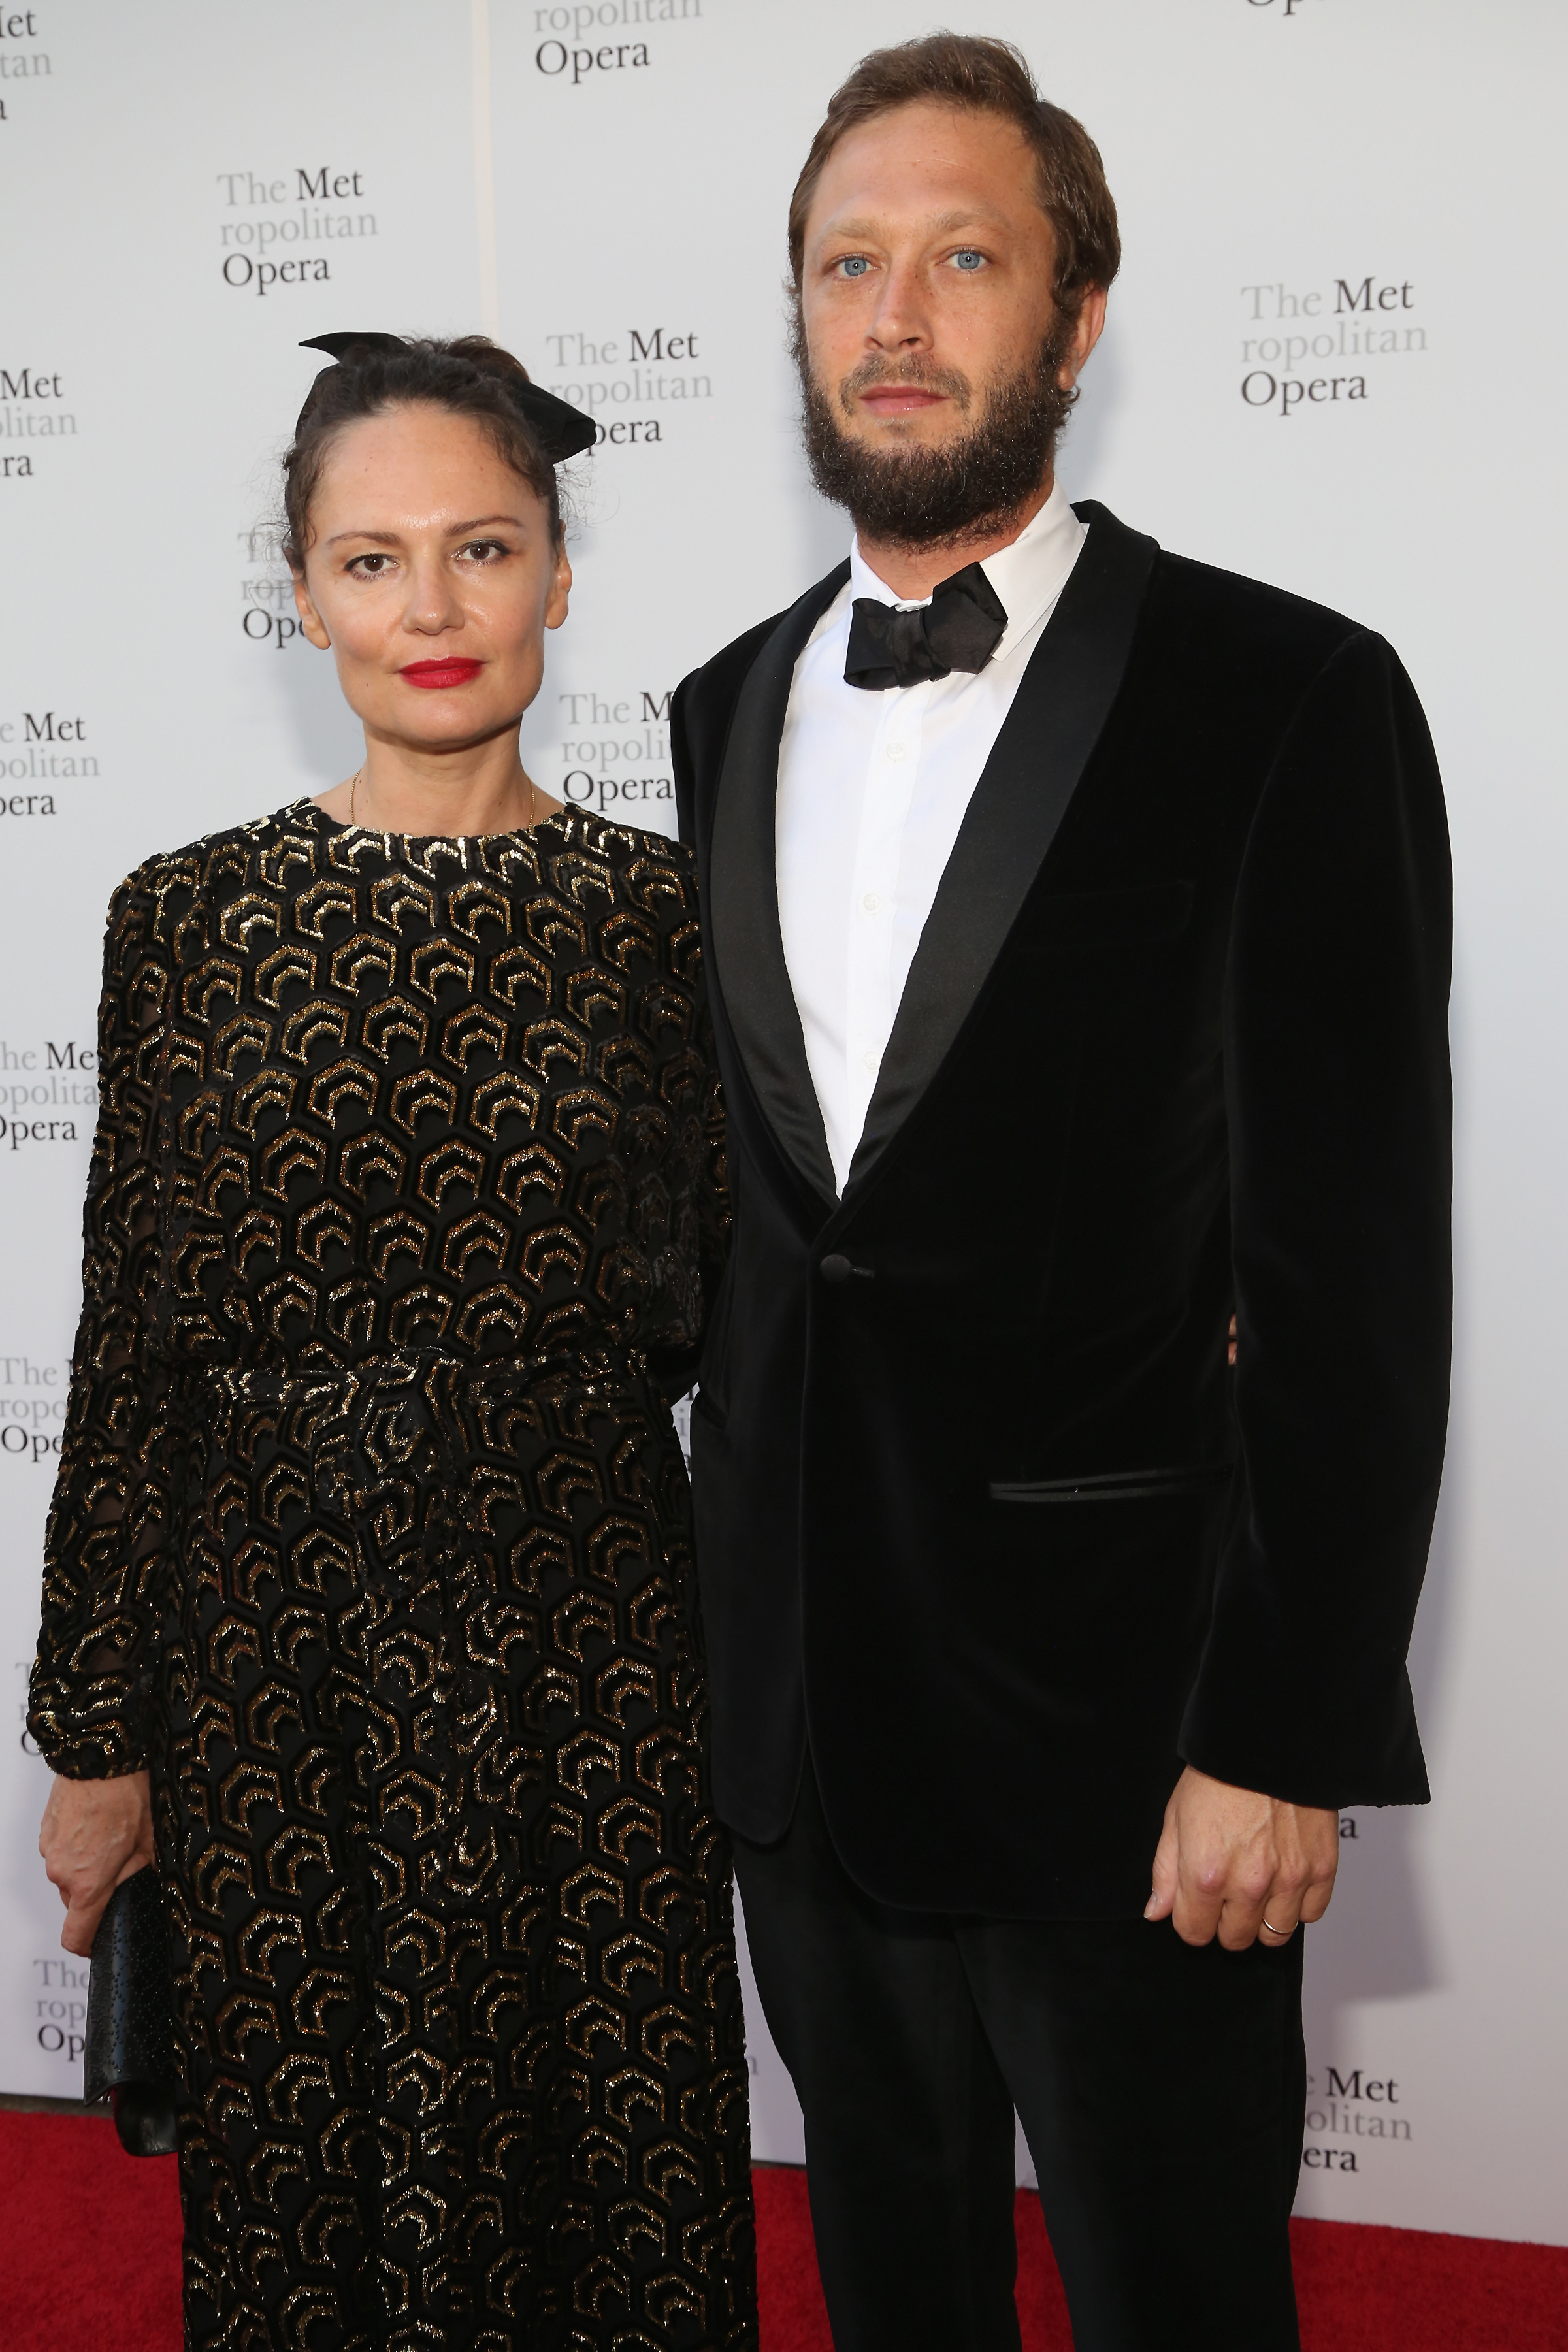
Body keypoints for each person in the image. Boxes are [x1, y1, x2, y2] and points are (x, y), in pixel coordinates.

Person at [673, 35, 1450, 2352]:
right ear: (799, 314)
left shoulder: (1286, 695)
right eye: (849, 265)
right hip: (805, 1729)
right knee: (894, 2295)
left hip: (1136, 1744)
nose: (895, 316)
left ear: (1078, 318)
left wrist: (1290, 1725)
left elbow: (1357, 1264)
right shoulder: (719, 708)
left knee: (1178, 2299)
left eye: (965, 258)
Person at [31, 333, 756, 2352]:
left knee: (603, 2169)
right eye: (370, 562)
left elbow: (737, 1303)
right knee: (309, 2192)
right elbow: (130, 1340)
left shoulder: (670, 920)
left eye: (483, 549)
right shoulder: (181, 917)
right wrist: (102, 1731)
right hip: (273, 1663)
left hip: (589, 1642)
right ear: (300, 589)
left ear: (559, 575)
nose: (429, 612)